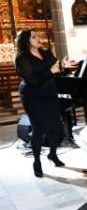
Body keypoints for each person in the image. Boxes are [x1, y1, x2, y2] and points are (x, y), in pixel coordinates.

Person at [15, 29, 76, 177]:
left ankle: (53, 154)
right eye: (34, 37)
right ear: (26, 41)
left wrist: (63, 67)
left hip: (49, 93)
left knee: (55, 127)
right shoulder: (22, 58)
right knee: (38, 129)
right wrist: (51, 70)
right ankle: (37, 162)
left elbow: (55, 72)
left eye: (38, 35)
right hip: (32, 96)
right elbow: (32, 81)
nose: (38, 38)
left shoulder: (46, 53)